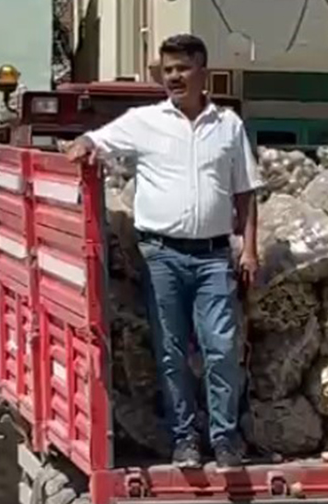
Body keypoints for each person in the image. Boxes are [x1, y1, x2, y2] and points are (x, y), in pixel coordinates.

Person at [65, 34, 263, 469]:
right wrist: (84, 146)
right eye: (167, 70)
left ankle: (225, 439)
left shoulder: (227, 126)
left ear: (202, 72)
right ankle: (185, 440)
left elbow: (246, 193)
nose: (173, 77)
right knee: (171, 351)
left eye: (182, 68)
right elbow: (96, 141)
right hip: (162, 257)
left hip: (214, 257)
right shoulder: (144, 121)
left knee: (221, 348)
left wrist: (248, 250)